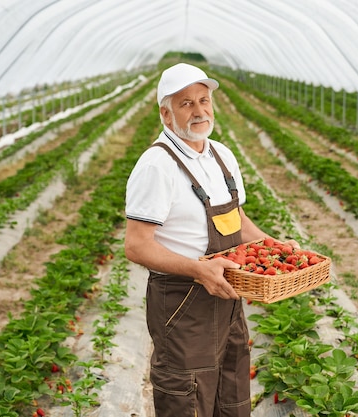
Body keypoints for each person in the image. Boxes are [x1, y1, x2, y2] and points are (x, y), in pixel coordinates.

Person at [124, 63, 297, 417]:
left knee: (231, 394)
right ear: (166, 114)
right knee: (187, 398)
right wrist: (199, 270)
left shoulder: (221, 155)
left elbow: (238, 220)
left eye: (204, 100)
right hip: (182, 304)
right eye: (186, 103)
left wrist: (275, 247)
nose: (199, 110)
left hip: (228, 296)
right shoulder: (157, 165)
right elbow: (136, 245)